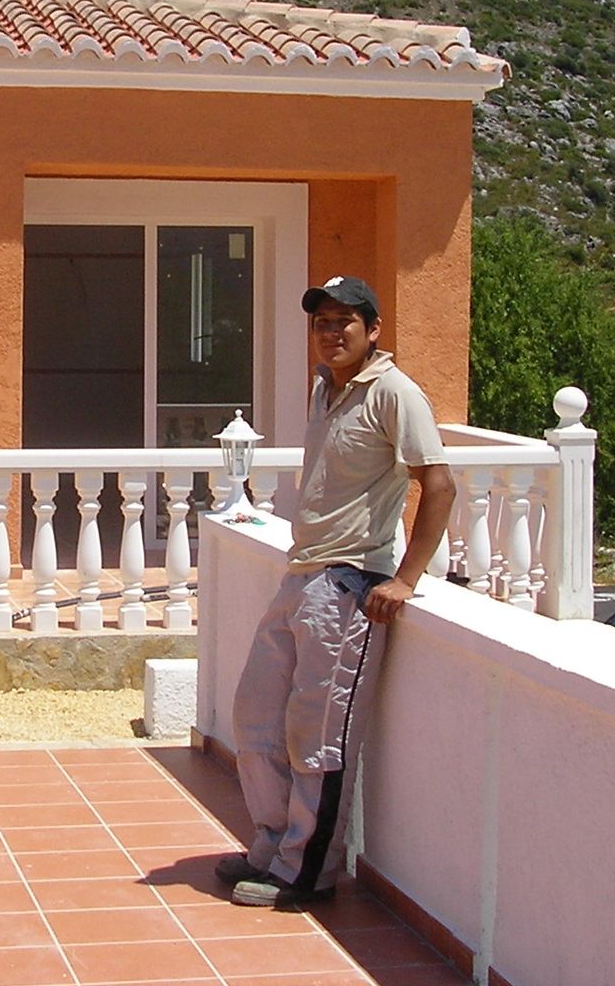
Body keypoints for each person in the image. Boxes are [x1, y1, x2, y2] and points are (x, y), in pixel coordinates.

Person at [222, 274, 456, 908]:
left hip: (350, 582)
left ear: (372, 329)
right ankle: (271, 845)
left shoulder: (396, 395)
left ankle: (307, 872)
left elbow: (437, 485)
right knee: (255, 714)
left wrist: (406, 578)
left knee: (317, 735)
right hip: (301, 573)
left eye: (343, 322)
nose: (330, 332)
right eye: (321, 322)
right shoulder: (325, 389)